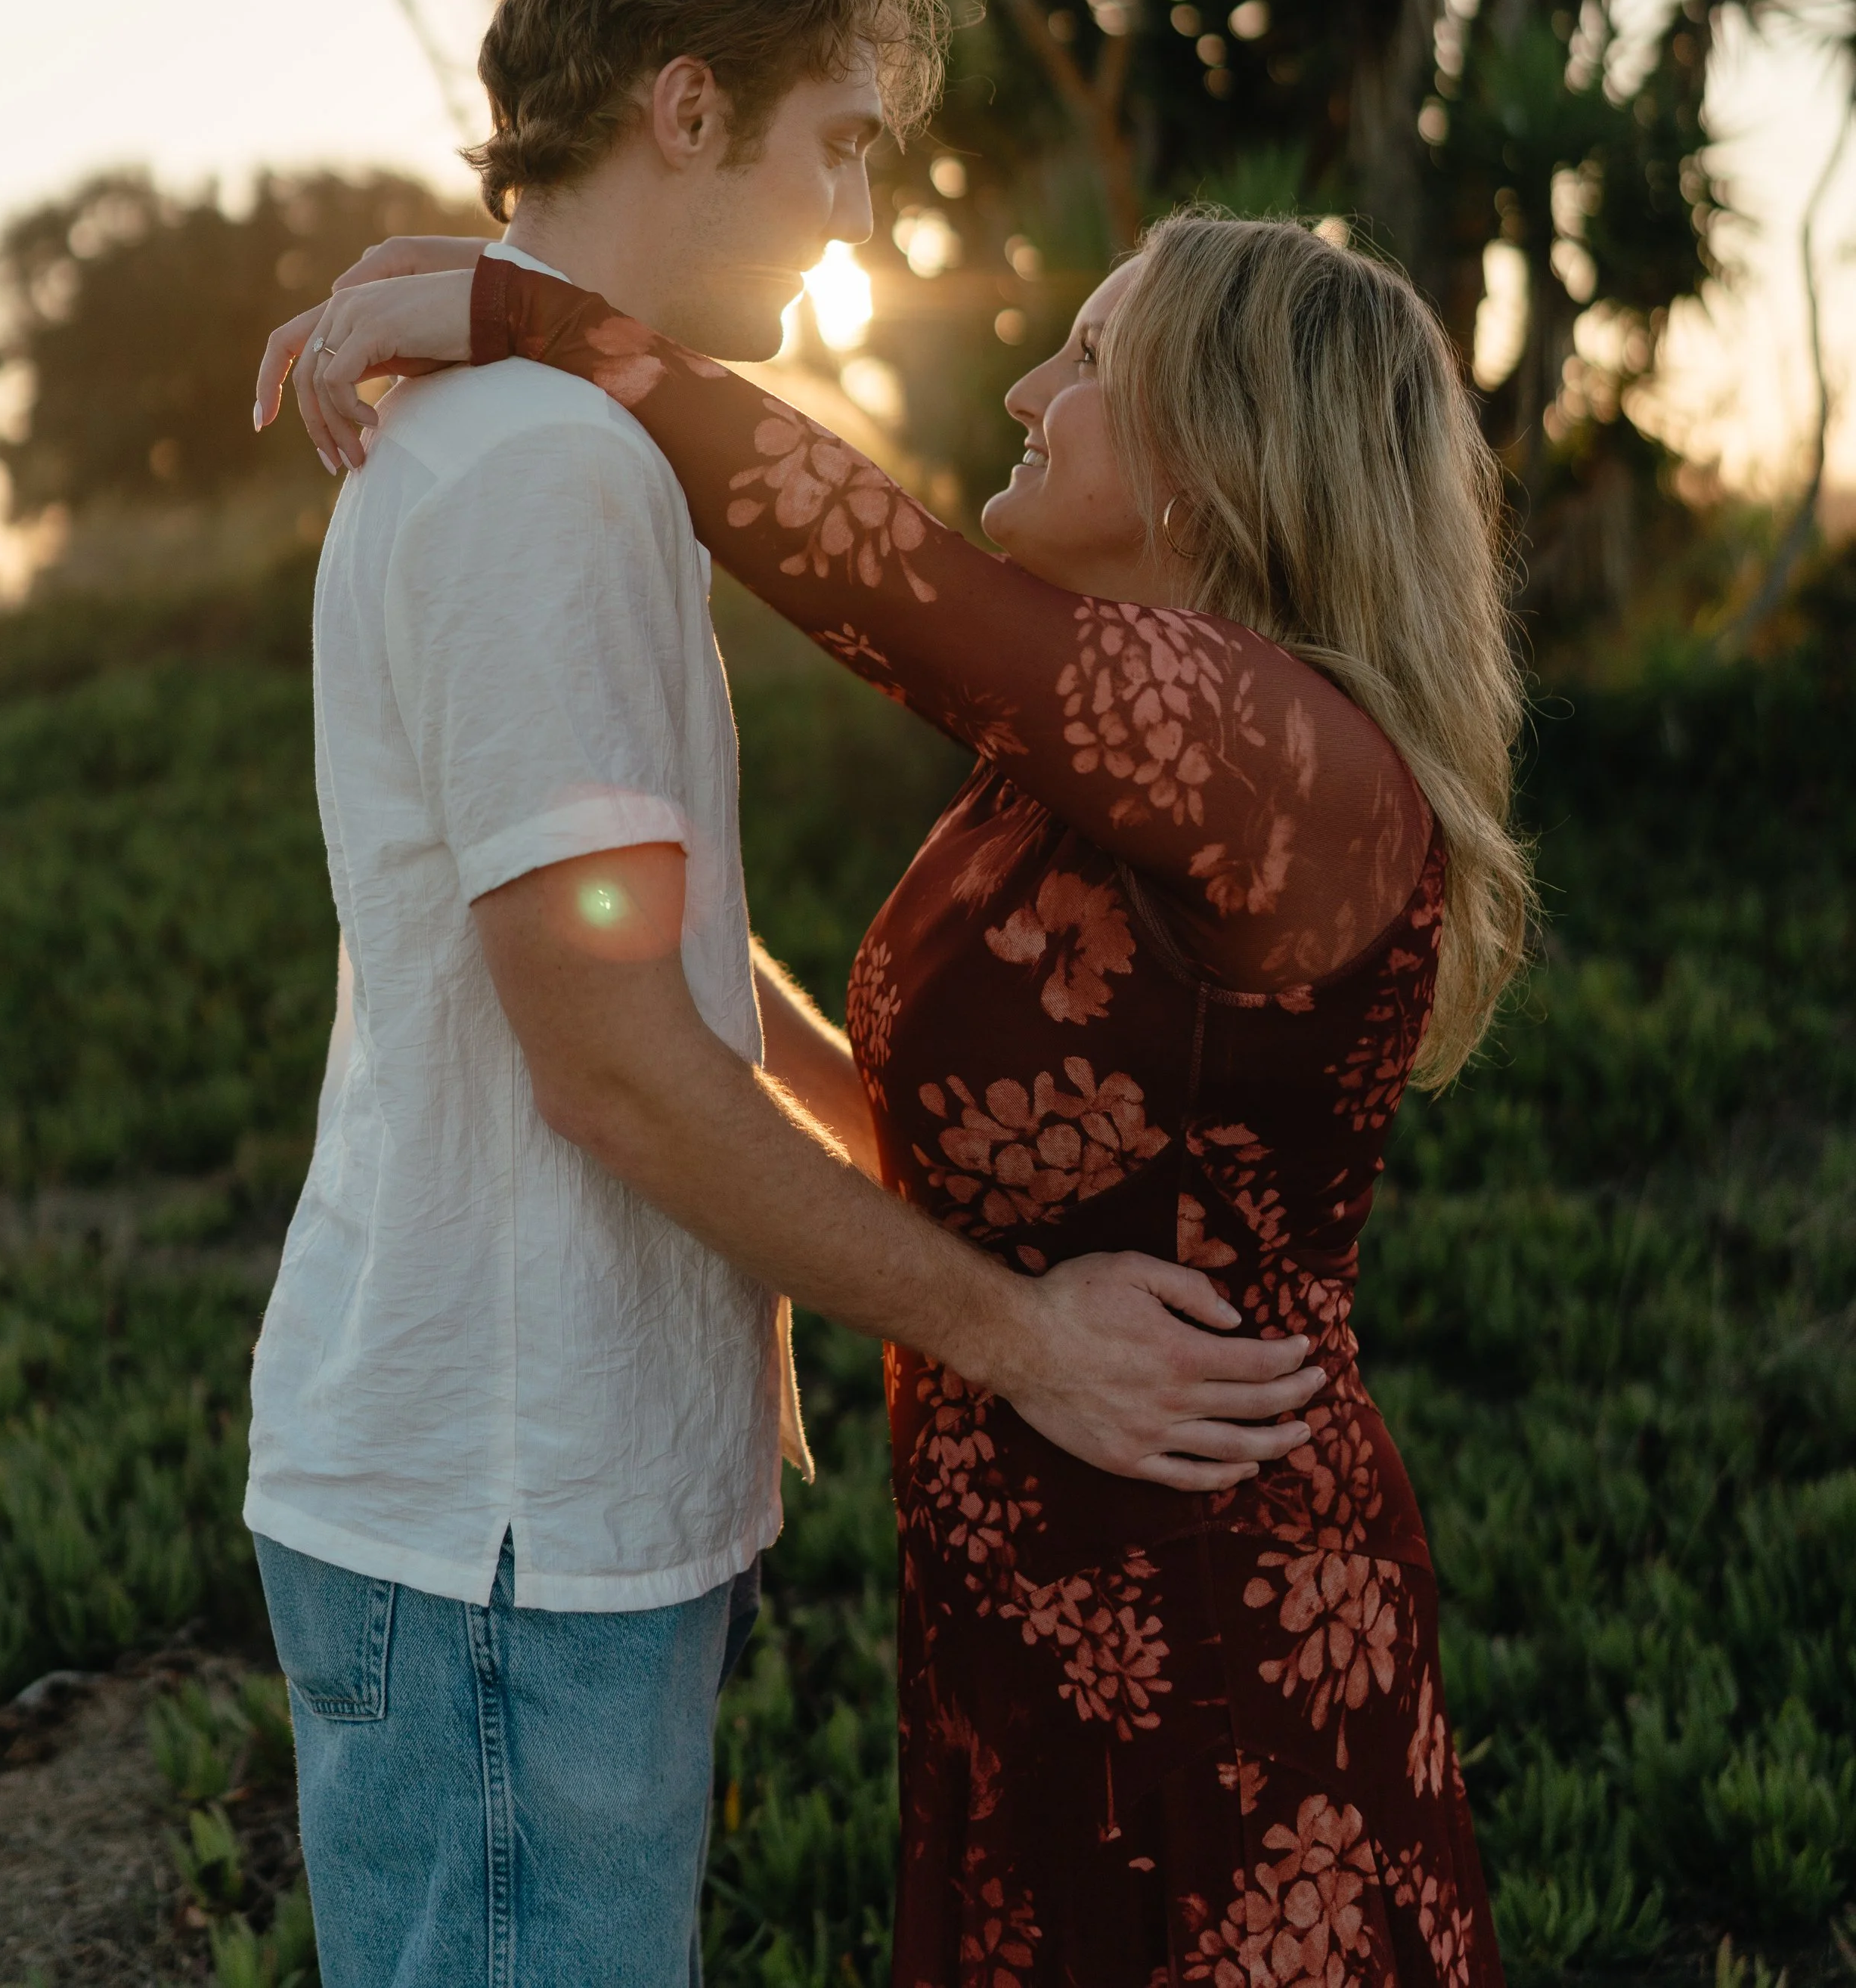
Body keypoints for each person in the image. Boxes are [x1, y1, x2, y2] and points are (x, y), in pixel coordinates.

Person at [268, 163, 1529, 1984]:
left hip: (1203, 1587)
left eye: (1085, 360)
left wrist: (523, 308)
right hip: (1043, 1575)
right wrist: (611, 961)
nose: (1024, 388)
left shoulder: (1267, 750)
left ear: (1215, 456)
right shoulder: (1093, 773)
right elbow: (934, 1124)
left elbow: (865, 561)